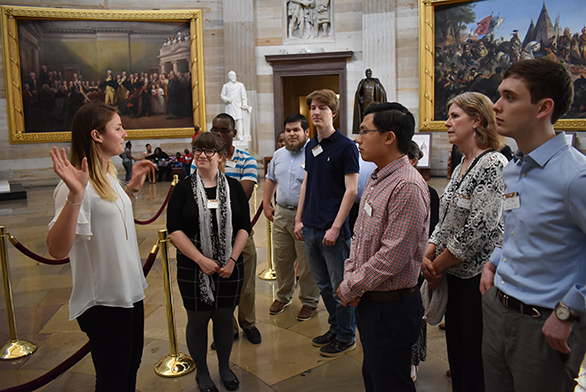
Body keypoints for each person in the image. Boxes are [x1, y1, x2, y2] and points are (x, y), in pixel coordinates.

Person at [480, 59, 586, 392]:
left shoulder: (575, 176)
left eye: (510, 97)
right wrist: (495, 260)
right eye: (499, 95)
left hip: (547, 320)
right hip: (500, 309)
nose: (496, 106)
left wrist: (569, 311)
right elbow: (517, 225)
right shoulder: (514, 167)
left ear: (543, 107)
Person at [47, 102, 154, 391]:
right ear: (96, 135)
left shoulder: (107, 175)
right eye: (118, 128)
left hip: (129, 291)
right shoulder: (73, 187)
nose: (124, 133)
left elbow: (110, 215)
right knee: (112, 379)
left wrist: (131, 188)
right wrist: (75, 195)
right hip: (104, 301)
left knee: (130, 368)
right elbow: (57, 249)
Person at [337, 102, 429, 392]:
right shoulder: (379, 178)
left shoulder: (407, 186)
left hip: (392, 307)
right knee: (374, 375)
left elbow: (393, 256)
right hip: (371, 300)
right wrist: (350, 275)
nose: (358, 139)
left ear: (389, 137)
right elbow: (361, 237)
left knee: (391, 382)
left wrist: (351, 286)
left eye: (365, 131)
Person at [422, 92, 508, 392]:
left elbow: (479, 229)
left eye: (455, 116)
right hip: (453, 274)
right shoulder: (461, 163)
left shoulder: (493, 162)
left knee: (476, 357)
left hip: (476, 278)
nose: (447, 123)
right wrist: (429, 253)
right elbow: (445, 218)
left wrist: (436, 265)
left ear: (476, 120)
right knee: (456, 350)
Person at [167, 132, 251, 392]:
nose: (202, 155)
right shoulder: (182, 188)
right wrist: (201, 259)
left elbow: (244, 227)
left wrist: (232, 259)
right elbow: (174, 229)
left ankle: (224, 367)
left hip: (229, 266)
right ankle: (202, 372)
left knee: (225, 318)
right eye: (198, 150)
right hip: (193, 267)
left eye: (209, 151)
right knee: (198, 320)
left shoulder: (234, 187)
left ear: (221, 157)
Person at [294, 89, 359, 357]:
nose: (316, 112)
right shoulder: (311, 146)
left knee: (339, 287)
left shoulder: (346, 146)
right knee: (323, 286)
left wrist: (335, 227)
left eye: (322, 107)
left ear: (333, 112)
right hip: (309, 227)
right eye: (313, 108)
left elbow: (352, 190)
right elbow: (307, 183)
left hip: (332, 231)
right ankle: (336, 327)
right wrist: (299, 219)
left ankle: (346, 335)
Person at [193, 113, 261, 345]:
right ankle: (227, 327)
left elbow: (241, 197)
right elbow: (197, 193)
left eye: (224, 130)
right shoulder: (202, 159)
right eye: (215, 129)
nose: (219, 134)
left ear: (234, 133)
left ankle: (248, 323)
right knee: (220, 285)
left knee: (246, 284)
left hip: (240, 233)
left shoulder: (246, 160)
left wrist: (216, 179)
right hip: (212, 235)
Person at [263, 114, 320, 320]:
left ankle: (309, 301)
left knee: (306, 263)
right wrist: (266, 202)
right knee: (281, 259)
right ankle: (283, 295)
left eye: (296, 130)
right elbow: (270, 179)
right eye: (288, 130)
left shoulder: (316, 153)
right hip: (281, 213)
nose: (291, 134)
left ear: (306, 132)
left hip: (305, 216)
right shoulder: (278, 155)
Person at [407, 140, 440, 383]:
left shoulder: (428, 192)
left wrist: (424, 258)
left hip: (418, 259)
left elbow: (434, 230)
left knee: (416, 312)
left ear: (414, 160)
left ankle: (413, 358)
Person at [352, 69, 387, 133]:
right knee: (365, 115)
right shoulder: (363, 82)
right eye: (367, 73)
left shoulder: (374, 82)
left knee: (373, 115)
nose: (368, 74)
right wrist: (361, 100)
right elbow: (358, 93)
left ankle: (372, 127)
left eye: (369, 73)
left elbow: (381, 91)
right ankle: (364, 129)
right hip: (365, 102)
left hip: (372, 101)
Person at [220, 71, 249, 140]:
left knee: (239, 120)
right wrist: (227, 99)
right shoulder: (226, 86)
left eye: (235, 76)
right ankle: (231, 136)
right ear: (229, 77)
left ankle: (240, 135)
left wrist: (244, 104)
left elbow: (244, 96)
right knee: (230, 121)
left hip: (238, 105)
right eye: (232, 76)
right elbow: (222, 95)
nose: (234, 77)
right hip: (229, 105)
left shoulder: (240, 85)